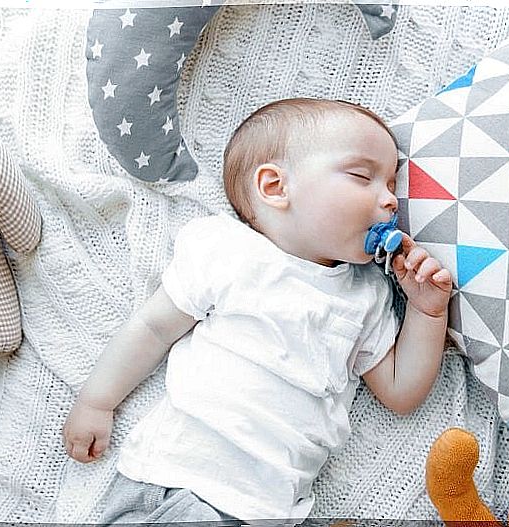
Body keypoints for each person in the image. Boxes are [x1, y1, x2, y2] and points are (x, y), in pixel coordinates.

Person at [63, 98, 453, 524]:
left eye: (392, 186)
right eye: (363, 176)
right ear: (275, 187)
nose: (390, 201)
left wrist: (427, 312)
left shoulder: (365, 297)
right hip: (177, 477)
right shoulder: (228, 252)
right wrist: (97, 401)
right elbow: (153, 328)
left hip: (264, 510)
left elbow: (401, 392)